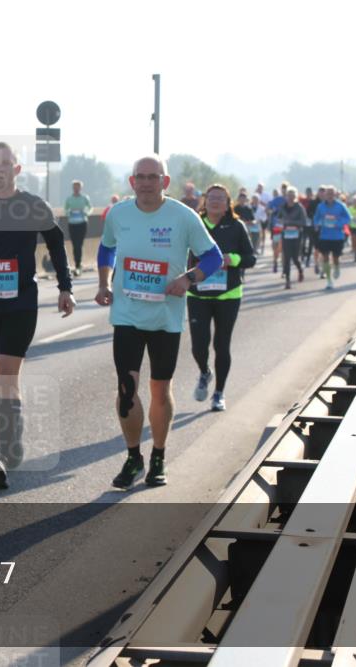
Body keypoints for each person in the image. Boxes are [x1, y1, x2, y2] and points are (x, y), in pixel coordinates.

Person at [95, 155, 222, 489]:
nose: (147, 182)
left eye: (154, 177)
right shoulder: (119, 213)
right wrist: (104, 282)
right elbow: (106, 248)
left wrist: (188, 279)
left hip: (166, 318)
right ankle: (134, 456)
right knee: (127, 389)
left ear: (165, 182)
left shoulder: (183, 216)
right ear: (132, 181)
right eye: (141, 177)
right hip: (126, 315)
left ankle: (159, 456)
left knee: (160, 390)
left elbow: (213, 256)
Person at [0, 142, 75, 489]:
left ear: (17, 169)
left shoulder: (32, 206)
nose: (0, 167)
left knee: (8, 376)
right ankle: (14, 438)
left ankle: (3, 452)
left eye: (7, 162)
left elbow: (56, 243)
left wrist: (65, 288)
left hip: (20, 304)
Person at [187, 185, 255, 412]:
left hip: (228, 294)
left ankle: (218, 393)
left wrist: (232, 259)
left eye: (221, 199)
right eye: (212, 198)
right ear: (204, 201)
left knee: (222, 344)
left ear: (228, 204)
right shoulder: (193, 224)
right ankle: (205, 372)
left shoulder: (236, 226)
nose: (216, 202)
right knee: (198, 345)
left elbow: (250, 258)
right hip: (197, 293)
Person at [313, 185, 351, 289]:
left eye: (331, 193)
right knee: (325, 257)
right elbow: (316, 218)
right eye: (328, 193)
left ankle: (337, 267)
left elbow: (348, 218)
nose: (330, 195)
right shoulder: (320, 206)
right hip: (324, 236)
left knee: (335, 258)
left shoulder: (340, 206)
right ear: (325, 195)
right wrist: (317, 224)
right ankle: (329, 280)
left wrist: (338, 223)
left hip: (337, 236)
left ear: (335, 195)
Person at [278, 187, 308, 288]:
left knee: (295, 257)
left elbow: (304, 222)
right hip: (286, 234)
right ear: (286, 197)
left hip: (296, 235)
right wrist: (280, 223)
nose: (290, 198)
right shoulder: (282, 207)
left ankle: (300, 270)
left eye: (292, 196)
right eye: (289, 196)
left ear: (295, 197)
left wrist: (291, 223)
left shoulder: (299, 207)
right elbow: (278, 219)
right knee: (286, 257)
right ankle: (287, 281)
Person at [64, 180, 93, 275]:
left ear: (81, 188)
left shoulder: (85, 198)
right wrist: (69, 213)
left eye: (78, 187)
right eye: (74, 187)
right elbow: (65, 209)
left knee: (79, 245)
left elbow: (90, 207)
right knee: (74, 245)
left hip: (82, 223)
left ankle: (78, 265)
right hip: (72, 223)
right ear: (73, 188)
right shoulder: (69, 199)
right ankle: (77, 264)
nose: (76, 189)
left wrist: (86, 213)